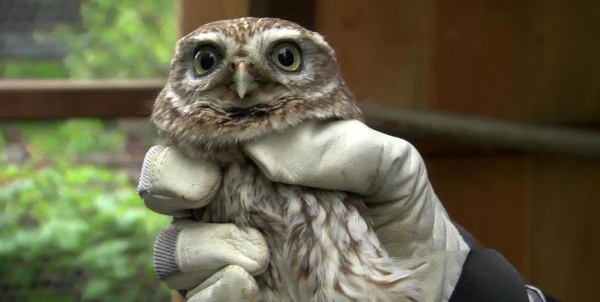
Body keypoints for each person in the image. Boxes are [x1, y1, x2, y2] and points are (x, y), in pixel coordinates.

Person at [138, 120, 555, 302]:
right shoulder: (197, 149)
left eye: (285, 58)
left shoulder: (337, 145)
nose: (243, 80)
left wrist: (463, 289)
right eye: (209, 62)